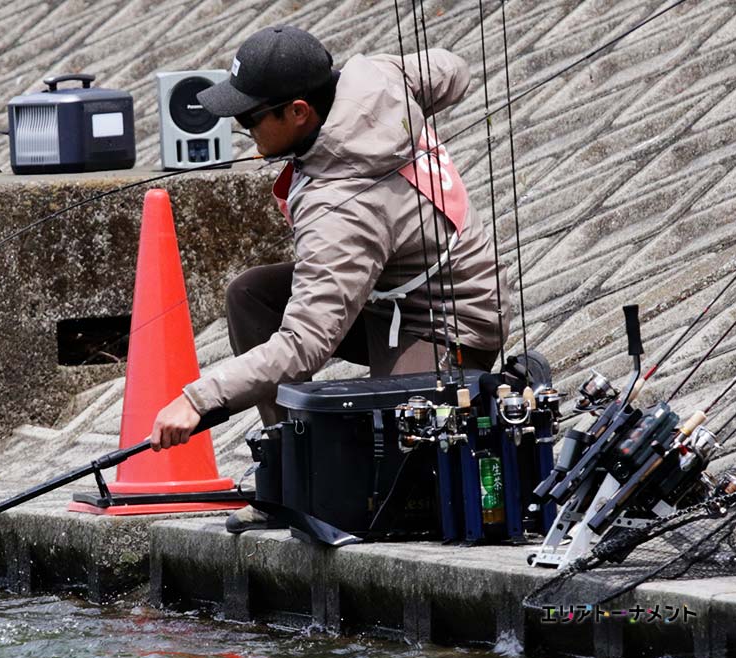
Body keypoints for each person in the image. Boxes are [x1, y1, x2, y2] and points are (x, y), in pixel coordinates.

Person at [150, 26, 512, 532]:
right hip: (383, 296)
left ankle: (331, 483)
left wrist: (198, 398)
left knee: (391, 487)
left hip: (449, 322)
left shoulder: (341, 208)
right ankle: (292, 469)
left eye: (249, 117)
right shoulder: (375, 77)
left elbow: (305, 343)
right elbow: (453, 69)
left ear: (299, 112)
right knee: (251, 294)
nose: (240, 126)